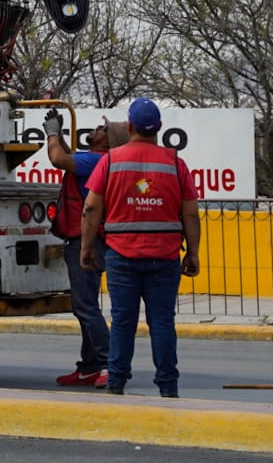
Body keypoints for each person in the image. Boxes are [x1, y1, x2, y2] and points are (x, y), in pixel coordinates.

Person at [80, 97, 202, 398]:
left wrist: (86, 247)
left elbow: (91, 208)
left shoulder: (111, 161)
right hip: (165, 256)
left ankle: (117, 381)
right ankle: (168, 385)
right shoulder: (176, 163)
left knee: (123, 321)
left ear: (131, 126)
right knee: (162, 322)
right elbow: (190, 212)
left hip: (122, 256)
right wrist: (194, 253)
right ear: (159, 128)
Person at [44, 111, 128, 388]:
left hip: (85, 239)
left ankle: (107, 363)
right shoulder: (94, 159)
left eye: (103, 128)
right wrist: (61, 133)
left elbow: (58, 159)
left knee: (85, 306)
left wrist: (52, 133)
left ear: (108, 141)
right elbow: (69, 157)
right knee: (85, 304)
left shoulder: (96, 160)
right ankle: (89, 366)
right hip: (88, 239)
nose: (96, 128)